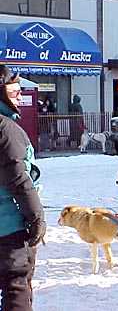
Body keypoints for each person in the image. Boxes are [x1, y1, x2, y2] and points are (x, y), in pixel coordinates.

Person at [0, 65, 46, 311]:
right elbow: (19, 178)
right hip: (9, 229)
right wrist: (36, 217)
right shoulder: (7, 130)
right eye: (14, 91)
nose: (20, 95)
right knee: (16, 286)